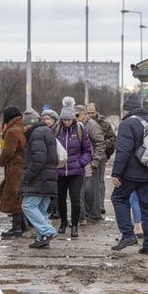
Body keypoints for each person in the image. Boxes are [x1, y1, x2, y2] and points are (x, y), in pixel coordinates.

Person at [109, 94, 148, 255]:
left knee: (118, 198)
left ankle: (128, 234)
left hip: (130, 172)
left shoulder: (127, 123)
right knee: (147, 207)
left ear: (126, 110)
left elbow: (123, 150)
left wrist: (116, 173)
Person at [19, 108, 59, 248]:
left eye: (25, 125)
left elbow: (39, 159)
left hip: (39, 179)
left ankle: (47, 231)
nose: (24, 128)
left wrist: (28, 177)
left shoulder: (36, 134)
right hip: (49, 177)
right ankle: (41, 238)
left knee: (28, 205)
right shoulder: (47, 131)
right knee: (41, 210)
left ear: (30, 123)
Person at [54, 98, 92, 238]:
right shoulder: (56, 130)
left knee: (75, 198)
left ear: (73, 119)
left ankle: (75, 225)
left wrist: (81, 163)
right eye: (64, 120)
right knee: (60, 199)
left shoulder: (80, 130)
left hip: (76, 171)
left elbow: (88, 150)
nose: (67, 122)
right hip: (60, 170)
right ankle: (64, 222)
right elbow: (51, 147)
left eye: (69, 120)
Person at [0, 106, 27, 237]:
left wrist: (1, 161)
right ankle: (22, 225)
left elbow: (8, 151)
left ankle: (17, 228)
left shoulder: (12, 132)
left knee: (14, 196)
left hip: (15, 168)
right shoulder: (22, 127)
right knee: (19, 196)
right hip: (22, 166)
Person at [76, 104, 106, 223]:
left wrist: (96, 160)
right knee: (85, 190)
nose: (75, 117)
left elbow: (100, 143)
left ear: (84, 114)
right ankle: (88, 213)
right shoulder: (80, 124)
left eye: (77, 115)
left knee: (91, 189)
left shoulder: (92, 125)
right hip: (84, 161)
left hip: (92, 161)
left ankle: (94, 214)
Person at [86, 103, 116, 215]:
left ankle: (100, 205)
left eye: (92, 113)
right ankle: (89, 206)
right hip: (86, 157)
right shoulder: (82, 123)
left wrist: (101, 145)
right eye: (88, 113)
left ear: (96, 112)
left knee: (99, 182)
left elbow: (113, 139)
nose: (90, 115)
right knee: (87, 183)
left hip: (100, 156)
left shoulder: (104, 124)